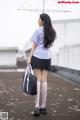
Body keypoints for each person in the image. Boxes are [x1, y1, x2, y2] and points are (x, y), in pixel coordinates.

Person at [27, 13, 56, 116]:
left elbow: (34, 45)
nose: (37, 20)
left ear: (43, 20)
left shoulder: (38, 30)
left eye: (39, 19)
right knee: (44, 81)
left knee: (38, 80)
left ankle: (37, 107)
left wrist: (30, 58)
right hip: (47, 57)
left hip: (37, 57)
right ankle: (43, 106)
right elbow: (50, 44)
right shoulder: (52, 31)